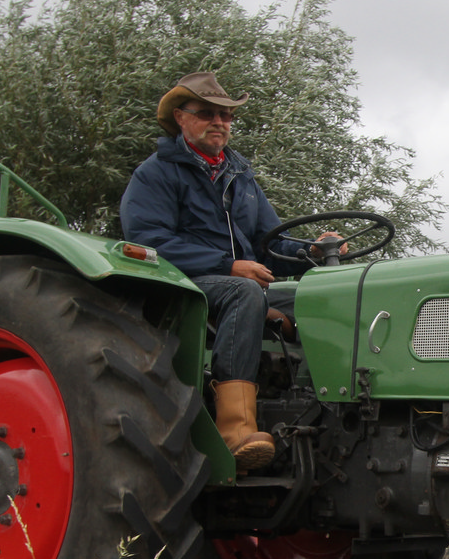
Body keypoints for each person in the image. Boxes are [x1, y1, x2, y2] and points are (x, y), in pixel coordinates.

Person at [121, 71, 332, 474]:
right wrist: (228, 265)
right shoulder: (156, 173)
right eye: (207, 113)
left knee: (323, 299)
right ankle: (235, 429)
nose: (219, 122)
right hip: (184, 285)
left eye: (226, 115)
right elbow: (149, 241)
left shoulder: (240, 176)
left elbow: (270, 244)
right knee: (243, 292)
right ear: (181, 118)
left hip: (240, 282)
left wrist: (312, 251)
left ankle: (323, 413)